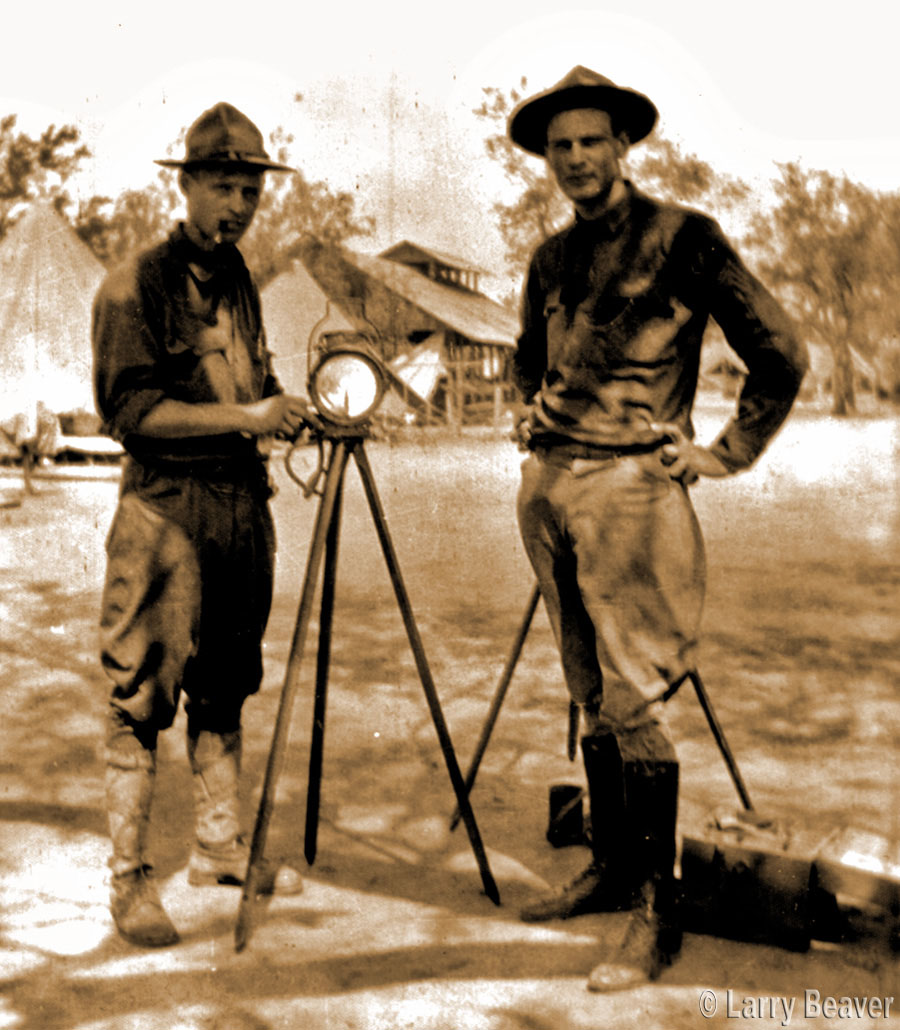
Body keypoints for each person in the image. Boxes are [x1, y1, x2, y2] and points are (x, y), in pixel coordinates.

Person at [506, 67, 808, 990]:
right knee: (590, 688)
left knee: (636, 701)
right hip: (550, 489)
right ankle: (608, 869)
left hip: (633, 494)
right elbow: (527, 361)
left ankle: (655, 911)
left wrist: (723, 453)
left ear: (625, 147)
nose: (576, 160)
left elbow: (782, 350)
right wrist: (528, 412)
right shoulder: (550, 260)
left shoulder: (686, 237)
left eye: (592, 142)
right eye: (560, 147)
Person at [93, 102, 313, 947]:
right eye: (224, 185)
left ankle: (218, 847)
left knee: (225, 684)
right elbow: (134, 413)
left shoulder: (239, 278)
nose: (240, 202)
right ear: (183, 185)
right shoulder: (134, 284)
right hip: (164, 513)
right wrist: (249, 419)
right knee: (138, 694)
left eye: (251, 187)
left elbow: (246, 390)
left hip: (238, 511)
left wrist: (283, 418)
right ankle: (126, 882)